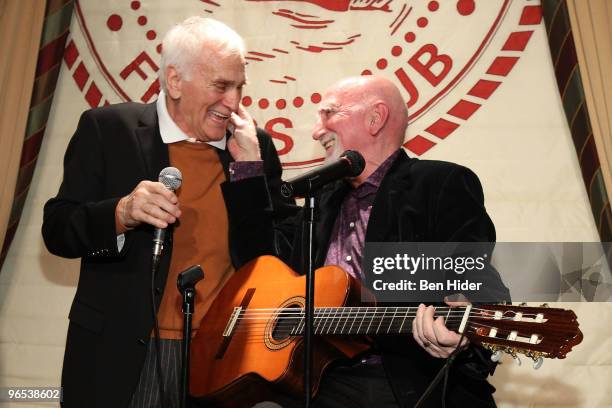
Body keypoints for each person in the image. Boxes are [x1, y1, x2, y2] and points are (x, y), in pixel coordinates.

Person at [42, 17, 290, 408]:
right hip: (120, 356)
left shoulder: (254, 147)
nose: (234, 102)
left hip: (218, 359)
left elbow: (273, 261)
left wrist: (249, 176)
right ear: (174, 81)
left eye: (239, 87)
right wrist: (121, 213)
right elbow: (58, 230)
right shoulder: (109, 129)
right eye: (221, 86)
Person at [235, 75, 510, 407]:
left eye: (328, 114)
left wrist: (463, 326)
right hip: (320, 379)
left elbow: (474, 274)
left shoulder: (439, 183)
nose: (316, 130)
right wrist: (248, 169)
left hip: (403, 379)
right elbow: (261, 262)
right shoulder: (321, 198)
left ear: (375, 118)